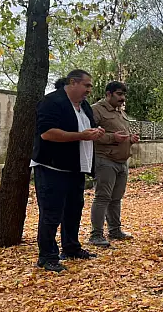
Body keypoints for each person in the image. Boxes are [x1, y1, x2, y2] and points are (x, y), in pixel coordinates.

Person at [31, 69, 106, 272]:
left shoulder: (84, 107)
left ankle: (71, 248)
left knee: (73, 210)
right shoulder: (52, 102)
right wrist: (81, 135)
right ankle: (47, 256)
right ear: (73, 82)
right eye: (86, 85)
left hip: (76, 167)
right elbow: (47, 133)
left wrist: (96, 133)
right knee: (51, 213)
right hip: (52, 167)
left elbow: (86, 130)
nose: (89, 90)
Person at [88, 81, 140, 247]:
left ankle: (115, 230)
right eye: (119, 94)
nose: (122, 98)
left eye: (124, 95)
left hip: (121, 161)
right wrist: (112, 138)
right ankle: (96, 235)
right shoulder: (96, 110)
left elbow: (121, 134)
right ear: (108, 94)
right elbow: (89, 133)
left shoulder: (120, 112)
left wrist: (130, 140)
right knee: (102, 197)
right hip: (105, 160)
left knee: (116, 198)